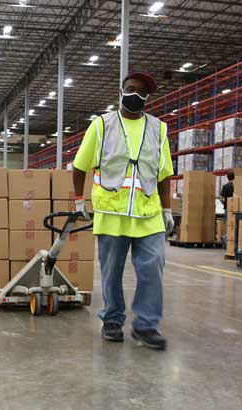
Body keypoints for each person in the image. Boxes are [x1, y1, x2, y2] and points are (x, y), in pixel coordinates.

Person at [71, 72, 174, 350]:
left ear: (147, 98)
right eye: (131, 89)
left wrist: (167, 209)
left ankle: (145, 325)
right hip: (113, 212)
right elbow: (80, 165)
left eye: (142, 93)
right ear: (121, 90)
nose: (135, 95)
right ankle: (113, 320)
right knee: (111, 272)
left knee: (152, 267)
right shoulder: (102, 125)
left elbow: (164, 174)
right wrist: (79, 200)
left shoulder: (159, 129)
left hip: (148, 214)